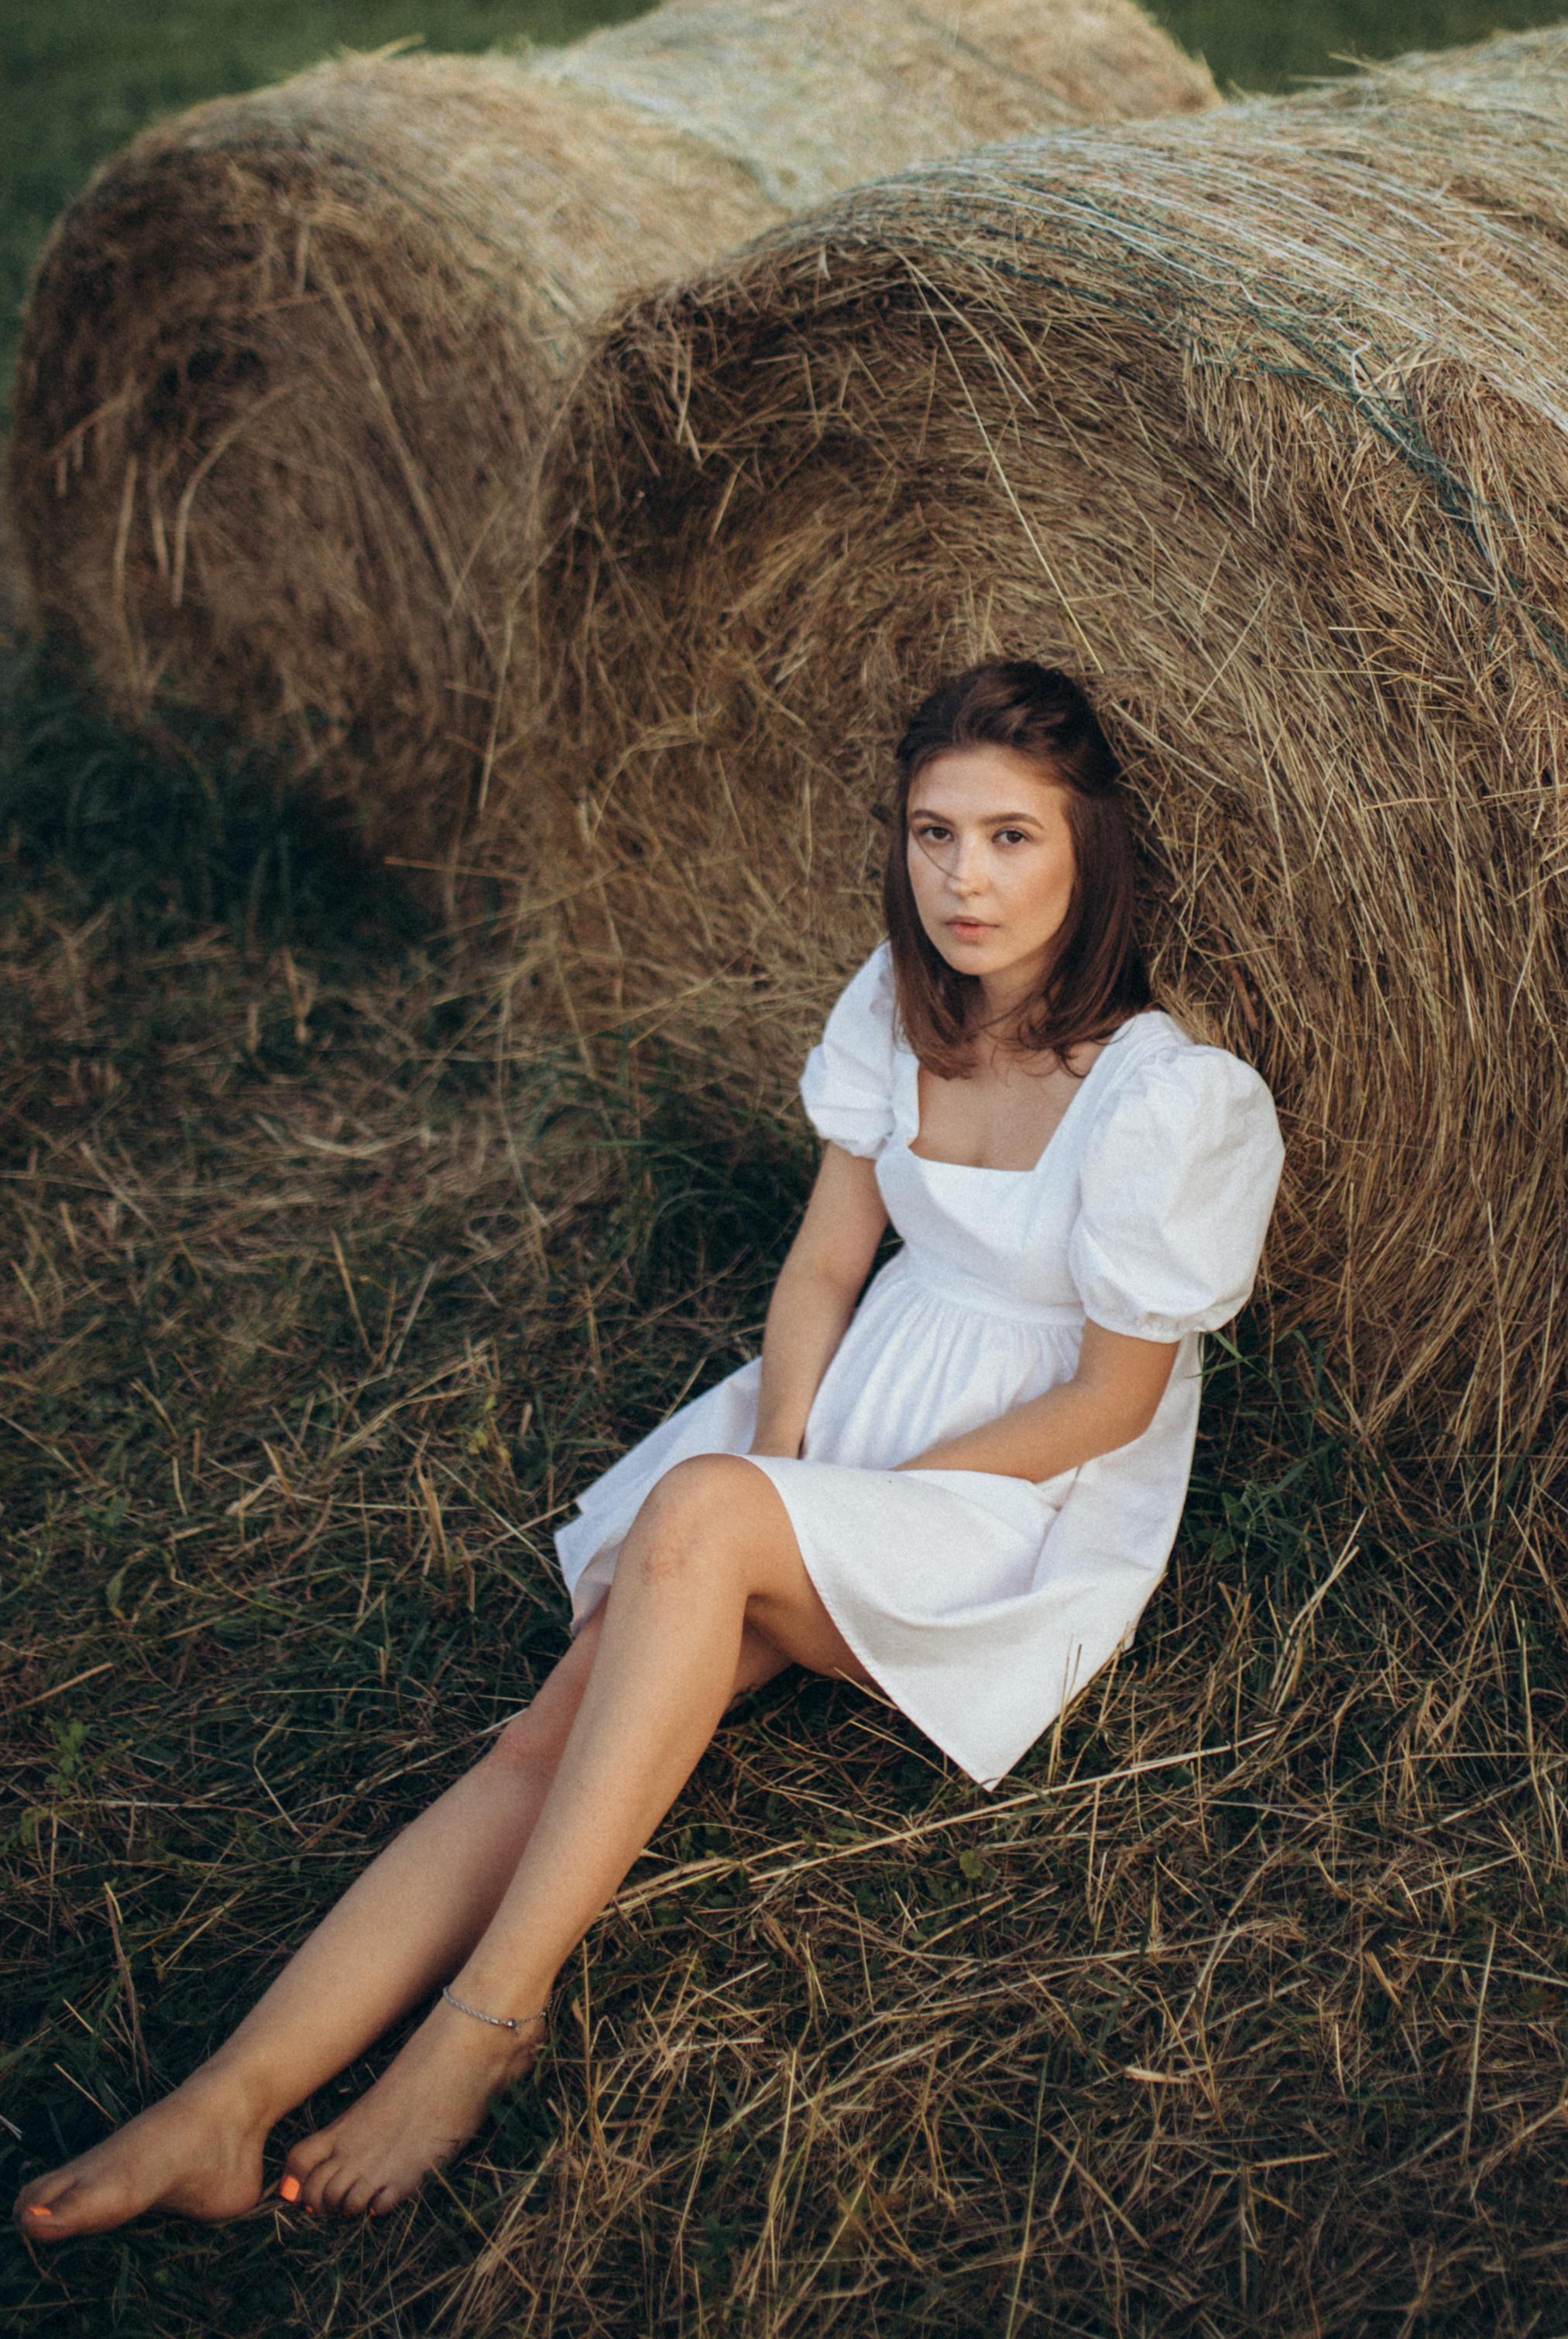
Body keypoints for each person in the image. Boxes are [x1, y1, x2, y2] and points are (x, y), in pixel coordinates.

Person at [16, 658, 1283, 2238]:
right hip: (846, 1424)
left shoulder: (1171, 1097)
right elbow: (825, 1268)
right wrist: (784, 1460)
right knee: (541, 1735)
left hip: (1020, 1502)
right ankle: (227, 2099)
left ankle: (485, 2023)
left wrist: (826, 1513)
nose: (963, 877)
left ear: (1090, 847)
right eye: (931, 833)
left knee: (696, 1527)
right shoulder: (899, 1015)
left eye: (1011, 837)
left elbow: (1107, 1403)